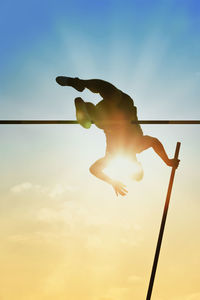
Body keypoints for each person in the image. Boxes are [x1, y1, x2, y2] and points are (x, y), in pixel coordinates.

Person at [56, 76, 179, 196]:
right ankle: (81, 88)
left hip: (105, 117)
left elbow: (93, 169)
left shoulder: (114, 156)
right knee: (109, 94)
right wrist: (167, 161)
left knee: (95, 119)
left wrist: (112, 181)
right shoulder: (134, 147)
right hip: (122, 107)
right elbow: (154, 142)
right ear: (138, 164)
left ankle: (85, 108)